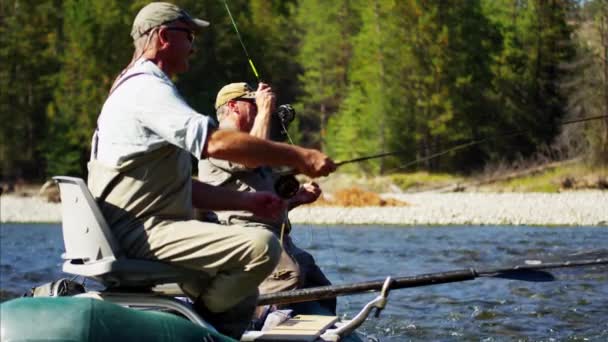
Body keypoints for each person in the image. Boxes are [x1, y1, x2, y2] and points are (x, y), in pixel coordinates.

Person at [87, 2, 336, 338]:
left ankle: (207, 326)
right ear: (163, 37)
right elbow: (216, 143)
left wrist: (247, 202)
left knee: (246, 288)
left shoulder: (136, 86)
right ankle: (204, 330)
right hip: (142, 230)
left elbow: (177, 187)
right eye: (188, 36)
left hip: (145, 224)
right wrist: (301, 157)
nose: (194, 45)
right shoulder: (146, 88)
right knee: (262, 248)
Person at [198, 82, 336, 317]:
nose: (260, 107)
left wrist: (296, 199)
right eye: (252, 103)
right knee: (287, 278)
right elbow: (252, 157)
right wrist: (264, 110)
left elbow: (259, 202)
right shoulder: (220, 140)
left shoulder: (250, 143)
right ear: (233, 106)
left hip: (274, 235)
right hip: (245, 237)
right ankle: (254, 324)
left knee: (319, 287)